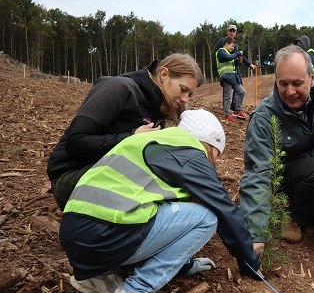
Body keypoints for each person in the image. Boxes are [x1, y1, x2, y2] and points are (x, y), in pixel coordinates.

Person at [62, 109, 263, 293]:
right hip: (104, 233)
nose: (214, 164)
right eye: (216, 157)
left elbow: (161, 218)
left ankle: (98, 276)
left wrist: (183, 264)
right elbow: (224, 209)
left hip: (77, 232)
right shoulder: (191, 152)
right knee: (206, 217)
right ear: (210, 147)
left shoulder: (155, 142)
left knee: (173, 209)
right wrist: (249, 262)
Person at [47, 53, 202, 210]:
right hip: (70, 180)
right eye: (183, 90)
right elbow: (75, 141)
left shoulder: (157, 107)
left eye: (189, 94)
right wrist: (131, 137)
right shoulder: (119, 88)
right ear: (163, 74)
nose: (185, 99)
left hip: (105, 178)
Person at [239, 44, 314, 253]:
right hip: (287, 178)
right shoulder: (264, 117)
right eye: (283, 84)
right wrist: (255, 236)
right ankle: (295, 218)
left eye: (297, 83)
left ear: (312, 79)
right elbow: (258, 174)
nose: (290, 91)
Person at [213, 24, 255, 120]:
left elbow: (237, 58)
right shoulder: (222, 46)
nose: (232, 33)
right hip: (226, 75)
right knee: (228, 94)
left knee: (241, 91)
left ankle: (237, 109)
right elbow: (224, 56)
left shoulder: (235, 46)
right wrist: (237, 54)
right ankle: (227, 113)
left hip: (234, 74)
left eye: (234, 31)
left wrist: (248, 64)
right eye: (230, 31)